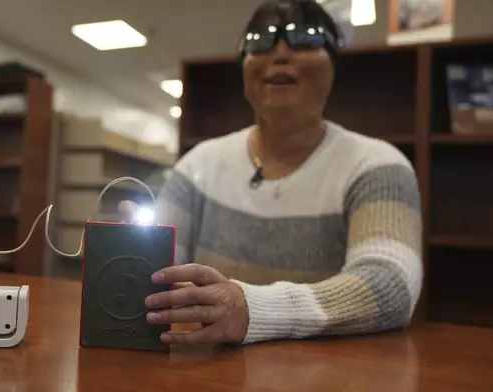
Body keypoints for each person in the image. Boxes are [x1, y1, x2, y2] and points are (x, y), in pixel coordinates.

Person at [125, 0, 422, 346]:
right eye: (259, 40)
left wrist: (252, 308)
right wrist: (130, 252)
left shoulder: (378, 165)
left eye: (305, 37)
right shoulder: (198, 164)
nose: (279, 53)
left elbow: (391, 284)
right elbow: (160, 265)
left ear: (333, 65)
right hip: (206, 373)